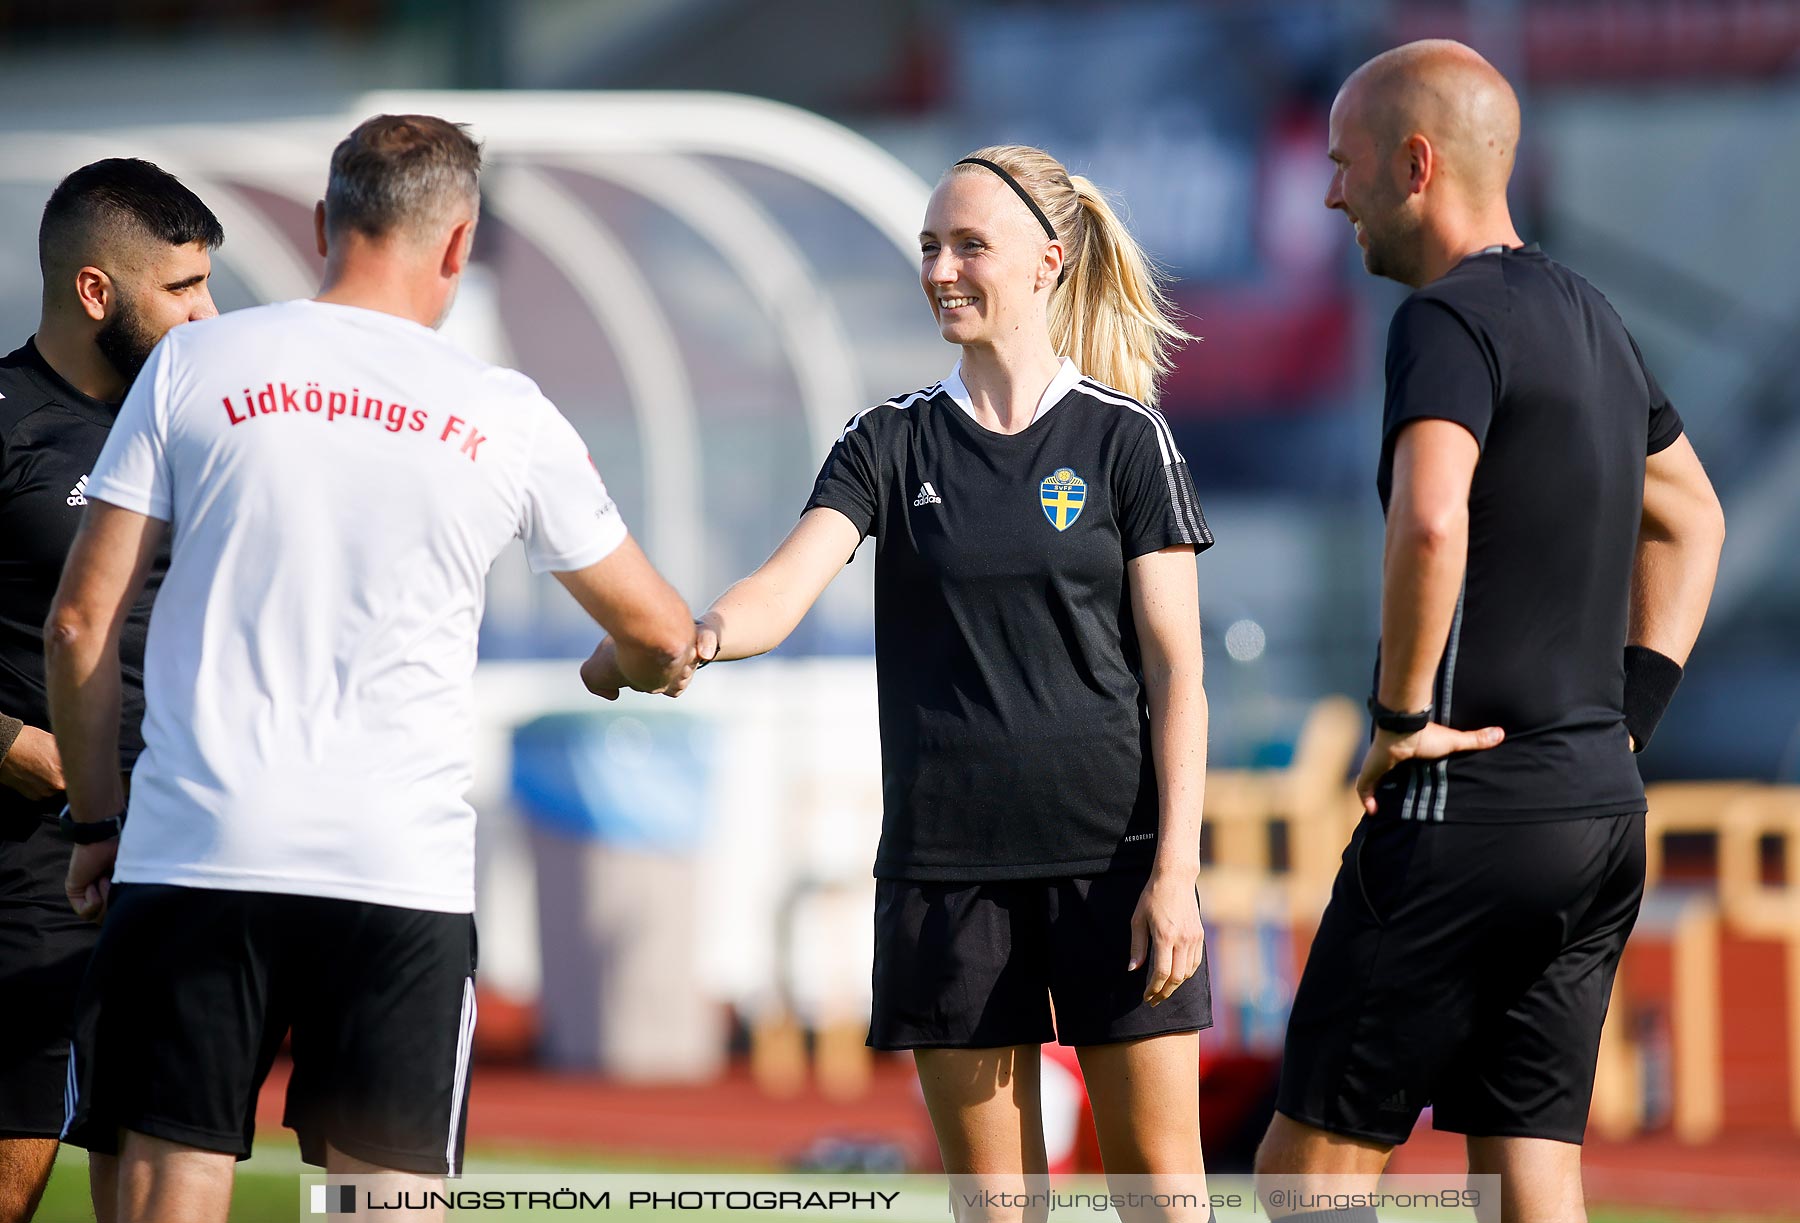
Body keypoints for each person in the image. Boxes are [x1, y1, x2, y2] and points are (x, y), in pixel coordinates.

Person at [46, 114, 695, 1223]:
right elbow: (661, 629)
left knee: (168, 1183)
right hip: (398, 872)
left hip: (201, 846)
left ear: (319, 225)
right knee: (382, 1196)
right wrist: (620, 665)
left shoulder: (198, 360)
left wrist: (99, 820)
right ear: (459, 246)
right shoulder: (507, 412)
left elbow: (79, 623)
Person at [588, 144, 1216, 1211]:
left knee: (1161, 1188)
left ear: (1046, 262)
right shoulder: (887, 440)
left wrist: (1174, 874)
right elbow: (781, 592)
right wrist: (690, 636)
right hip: (947, 872)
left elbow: (1180, 673)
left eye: (971, 245)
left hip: (1117, 863)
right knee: (1000, 1201)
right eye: (931, 246)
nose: (940, 269)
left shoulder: (1126, 439)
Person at [1253, 41, 1725, 1223]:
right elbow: (1693, 515)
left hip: (1463, 807)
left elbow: (1427, 521)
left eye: (1344, 164)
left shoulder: (1445, 321)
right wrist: (1629, 722)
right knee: (1527, 1171)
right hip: (1597, 818)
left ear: (1417, 164)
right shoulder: (1592, 315)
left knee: (1306, 1180)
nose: (1328, 194)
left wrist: (1401, 719)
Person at [0, 158, 220, 1223]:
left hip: (177, 852)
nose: (207, 311)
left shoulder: (201, 427)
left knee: (153, 1180)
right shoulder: (5, 417)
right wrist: (16, 742)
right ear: (97, 291)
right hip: (31, 862)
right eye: (182, 288)